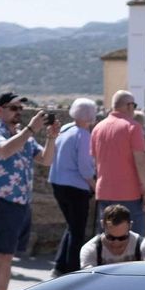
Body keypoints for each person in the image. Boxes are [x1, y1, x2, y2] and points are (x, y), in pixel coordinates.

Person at [0, 93, 57, 290]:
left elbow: (46, 160)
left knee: (7, 256)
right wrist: (31, 129)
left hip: (21, 203)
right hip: (1, 200)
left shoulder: (22, 134)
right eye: (13, 108)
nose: (18, 113)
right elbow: (4, 151)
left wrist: (51, 137)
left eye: (20, 109)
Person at [90, 90, 145, 235]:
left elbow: (96, 161)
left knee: (107, 240)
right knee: (133, 241)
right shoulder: (133, 127)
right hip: (129, 193)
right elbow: (141, 161)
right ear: (129, 106)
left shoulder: (98, 128)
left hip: (104, 191)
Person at [49, 97, 97, 276]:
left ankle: (60, 265)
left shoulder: (65, 129)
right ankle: (71, 269)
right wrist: (95, 185)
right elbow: (85, 168)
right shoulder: (83, 135)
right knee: (77, 231)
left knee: (71, 226)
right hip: (75, 187)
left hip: (57, 182)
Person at [80, 202, 145, 267]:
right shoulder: (90, 250)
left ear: (130, 225)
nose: (116, 243)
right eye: (110, 237)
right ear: (102, 225)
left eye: (122, 238)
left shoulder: (143, 247)